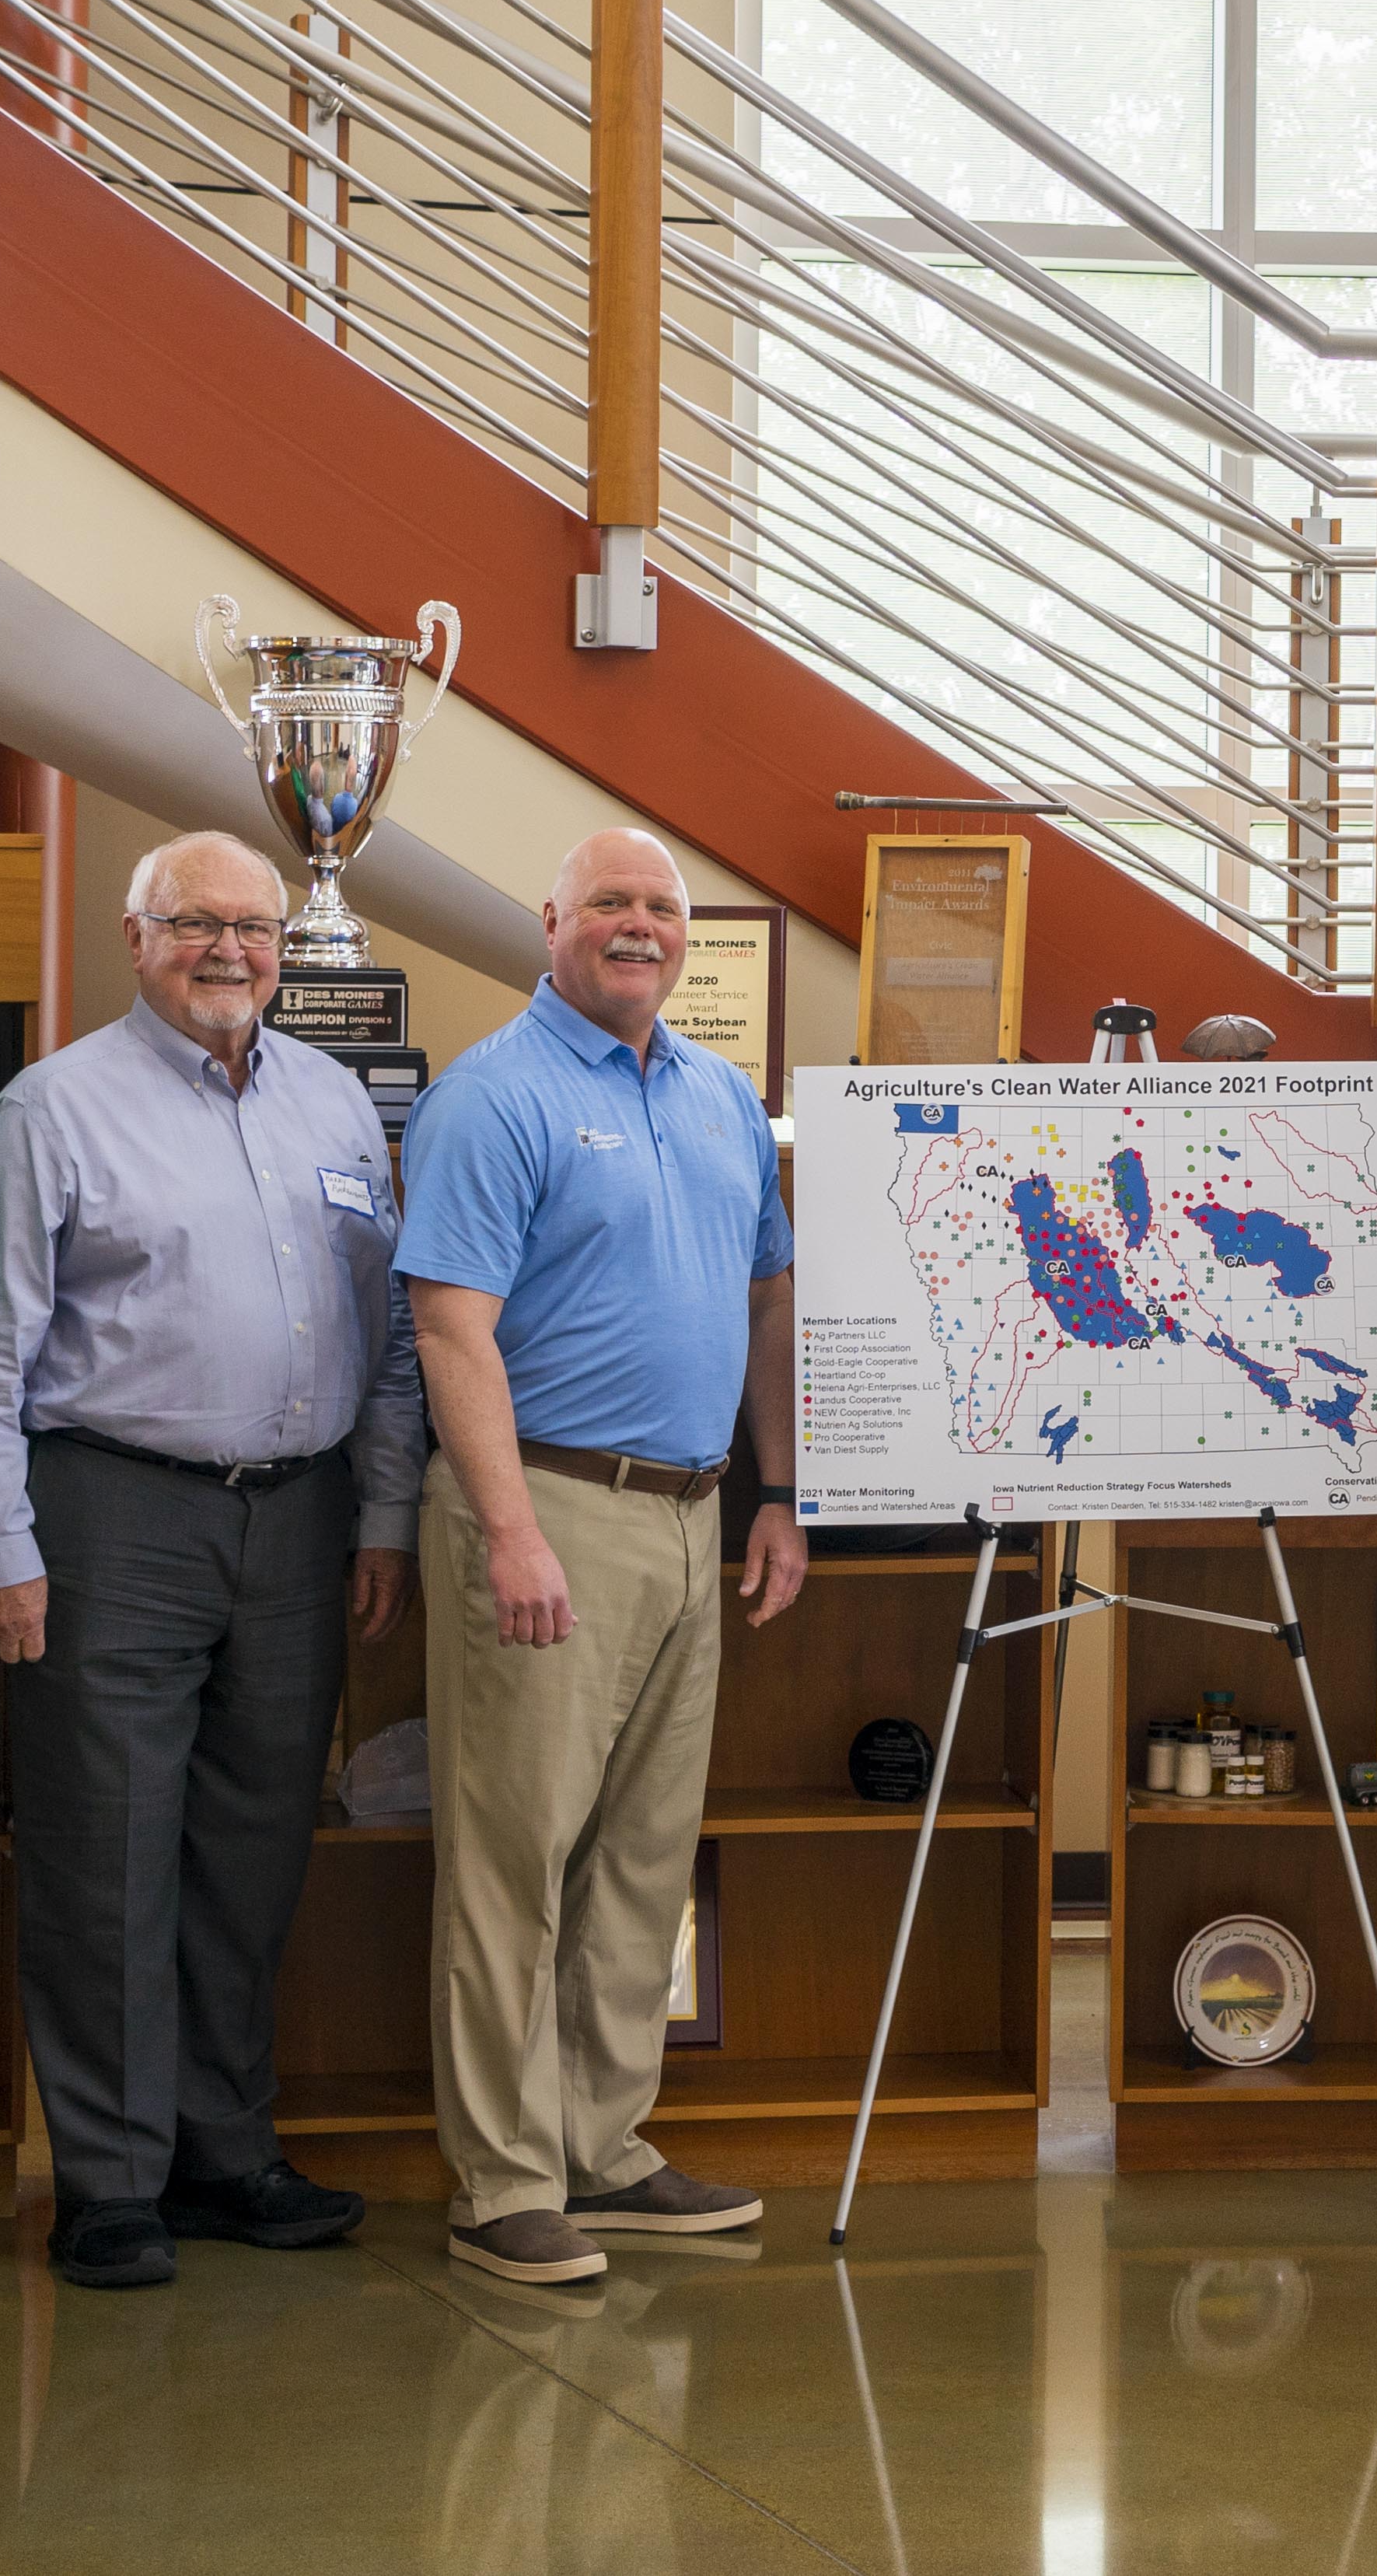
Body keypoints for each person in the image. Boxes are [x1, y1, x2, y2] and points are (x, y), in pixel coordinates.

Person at [0, 830, 428, 2291]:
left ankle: (225, 2152)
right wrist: (0, 1550)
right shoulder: (53, 1107)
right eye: (193, 922)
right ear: (136, 939)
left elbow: (386, 1343)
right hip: (112, 1513)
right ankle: (112, 2178)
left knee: (256, 1846)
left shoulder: (333, 1102)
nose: (228, 949)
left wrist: (382, 1517)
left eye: (253, 926)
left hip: (302, 1516)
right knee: (106, 1851)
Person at [396, 827, 808, 2285]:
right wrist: (506, 1528)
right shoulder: (488, 1096)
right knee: (515, 1856)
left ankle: (605, 2145)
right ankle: (501, 2176)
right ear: (553, 918)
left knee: (642, 1853)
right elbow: (451, 1329)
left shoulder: (720, 1099)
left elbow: (767, 1300)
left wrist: (779, 1490)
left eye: (662, 907)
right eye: (611, 903)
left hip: (696, 1513)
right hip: (549, 1508)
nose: (638, 925)